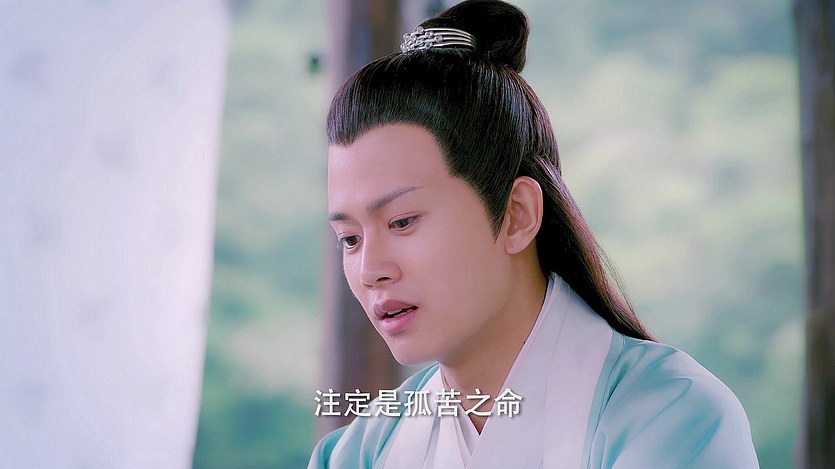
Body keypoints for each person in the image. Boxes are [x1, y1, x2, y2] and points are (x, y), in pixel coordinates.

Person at [311, 0, 759, 467]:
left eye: (402, 221)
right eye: (350, 239)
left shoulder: (670, 419)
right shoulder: (358, 451)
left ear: (516, 214)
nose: (371, 271)